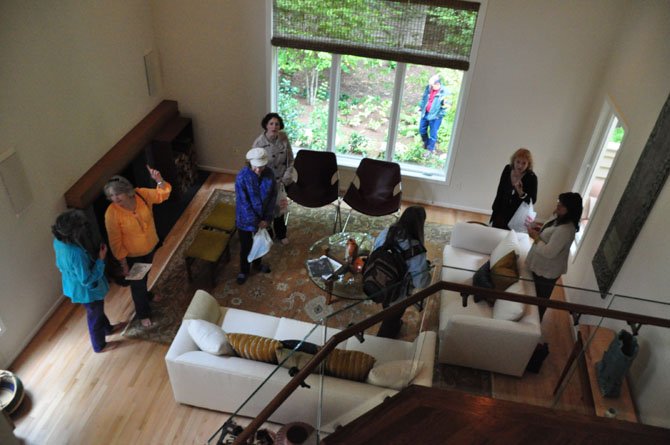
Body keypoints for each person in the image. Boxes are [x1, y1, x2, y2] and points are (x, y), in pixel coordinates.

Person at [104, 166, 171, 328]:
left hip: (150, 245)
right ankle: (143, 314)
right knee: (137, 285)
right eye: (111, 196)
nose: (115, 198)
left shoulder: (141, 194)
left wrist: (159, 180)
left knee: (144, 276)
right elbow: (115, 240)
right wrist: (123, 263)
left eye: (118, 194)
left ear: (127, 191)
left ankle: (146, 295)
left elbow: (163, 195)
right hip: (132, 255)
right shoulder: (111, 214)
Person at [52, 209, 124, 352]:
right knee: (94, 316)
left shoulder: (58, 241)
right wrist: (101, 259)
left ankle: (108, 329)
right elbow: (87, 279)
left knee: (98, 309)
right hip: (86, 291)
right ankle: (99, 345)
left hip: (72, 283)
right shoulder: (76, 253)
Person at [371, 206, 432, 338]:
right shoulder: (415, 249)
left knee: (387, 307)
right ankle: (385, 337)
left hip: (379, 280)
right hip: (398, 293)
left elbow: (374, 253)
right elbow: (421, 282)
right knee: (392, 318)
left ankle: (391, 319)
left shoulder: (387, 232)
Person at [526, 192, 583, 321]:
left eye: (562, 205)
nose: (558, 205)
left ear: (570, 209)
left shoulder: (566, 230)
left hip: (547, 271)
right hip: (540, 266)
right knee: (532, 295)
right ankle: (529, 319)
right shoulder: (558, 218)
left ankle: (534, 324)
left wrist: (535, 237)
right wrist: (540, 229)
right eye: (559, 201)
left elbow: (549, 252)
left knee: (540, 300)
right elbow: (550, 235)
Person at [235, 147, 277, 285]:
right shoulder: (242, 177)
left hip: (264, 218)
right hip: (246, 219)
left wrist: (267, 219)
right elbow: (244, 203)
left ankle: (257, 265)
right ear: (249, 163)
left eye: (262, 166)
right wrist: (256, 221)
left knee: (259, 243)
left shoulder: (270, 174)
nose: (259, 170)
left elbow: (272, 197)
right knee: (246, 246)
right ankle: (244, 270)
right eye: (256, 166)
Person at [252, 112, 294, 245]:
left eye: (277, 124)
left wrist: (287, 176)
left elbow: (290, 160)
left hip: (281, 181)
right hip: (265, 183)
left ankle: (281, 234)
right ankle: (268, 235)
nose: (274, 126)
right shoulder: (259, 143)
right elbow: (254, 167)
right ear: (266, 125)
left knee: (280, 209)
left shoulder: (284, 138)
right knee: (267, 209)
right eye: (271, 123)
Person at [490, 148, 538, 229]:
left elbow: (532, 200)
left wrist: (521, 193)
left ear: (528, 164)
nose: (520, 166)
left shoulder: (531, 177)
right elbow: (500, 190)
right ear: (513, 160)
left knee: (507, 238)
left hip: (516, 216)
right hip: (500, 211)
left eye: (524, 163)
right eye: (518, 162)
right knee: (493, 233)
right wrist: (495, 209)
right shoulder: (507, 169)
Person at [418, 74, 448, 154]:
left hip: (435, 116)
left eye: (432, 85)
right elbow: (424, 98)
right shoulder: (429, 88)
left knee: (433, 134)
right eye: (430, 85)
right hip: (425, 113)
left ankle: (430, 149)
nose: (430, 87)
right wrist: (421, 106)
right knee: (422, 130)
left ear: (437, 84)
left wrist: (439, 115)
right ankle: (427, 143)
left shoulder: (444, 92)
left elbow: (446, 106)